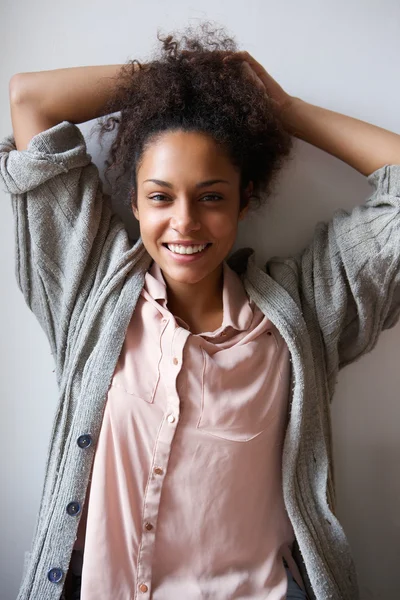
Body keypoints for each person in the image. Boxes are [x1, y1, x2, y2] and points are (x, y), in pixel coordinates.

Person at [1, 22, 399, 600]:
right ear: (133, 202)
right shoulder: (91, 291)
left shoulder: (303, 313)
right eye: (160, 196)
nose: (184, 222)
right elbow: (29, 99)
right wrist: (185, 81)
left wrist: (283, 108)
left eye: (211, 196)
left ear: (245, 199)